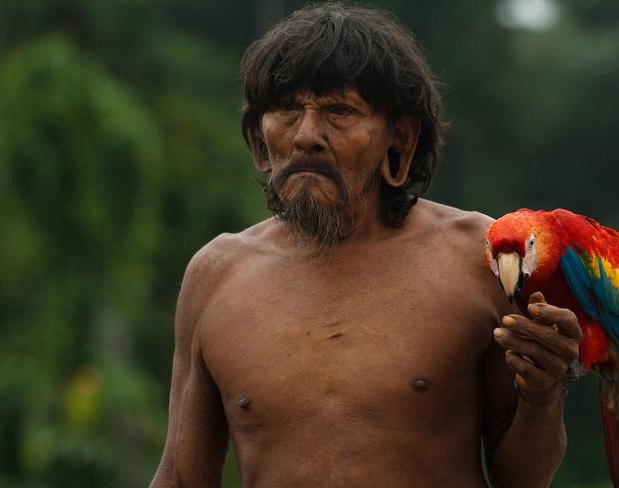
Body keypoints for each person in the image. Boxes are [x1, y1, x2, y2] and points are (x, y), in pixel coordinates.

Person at [151, 3, 582, 487]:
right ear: (258, 139)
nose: (307, 136)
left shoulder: (480, 258)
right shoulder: (216, 275)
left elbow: (521, 480)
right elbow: (181, 478)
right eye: (288, 109)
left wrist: (543, 395)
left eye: (339, 111)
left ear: (399, 139)